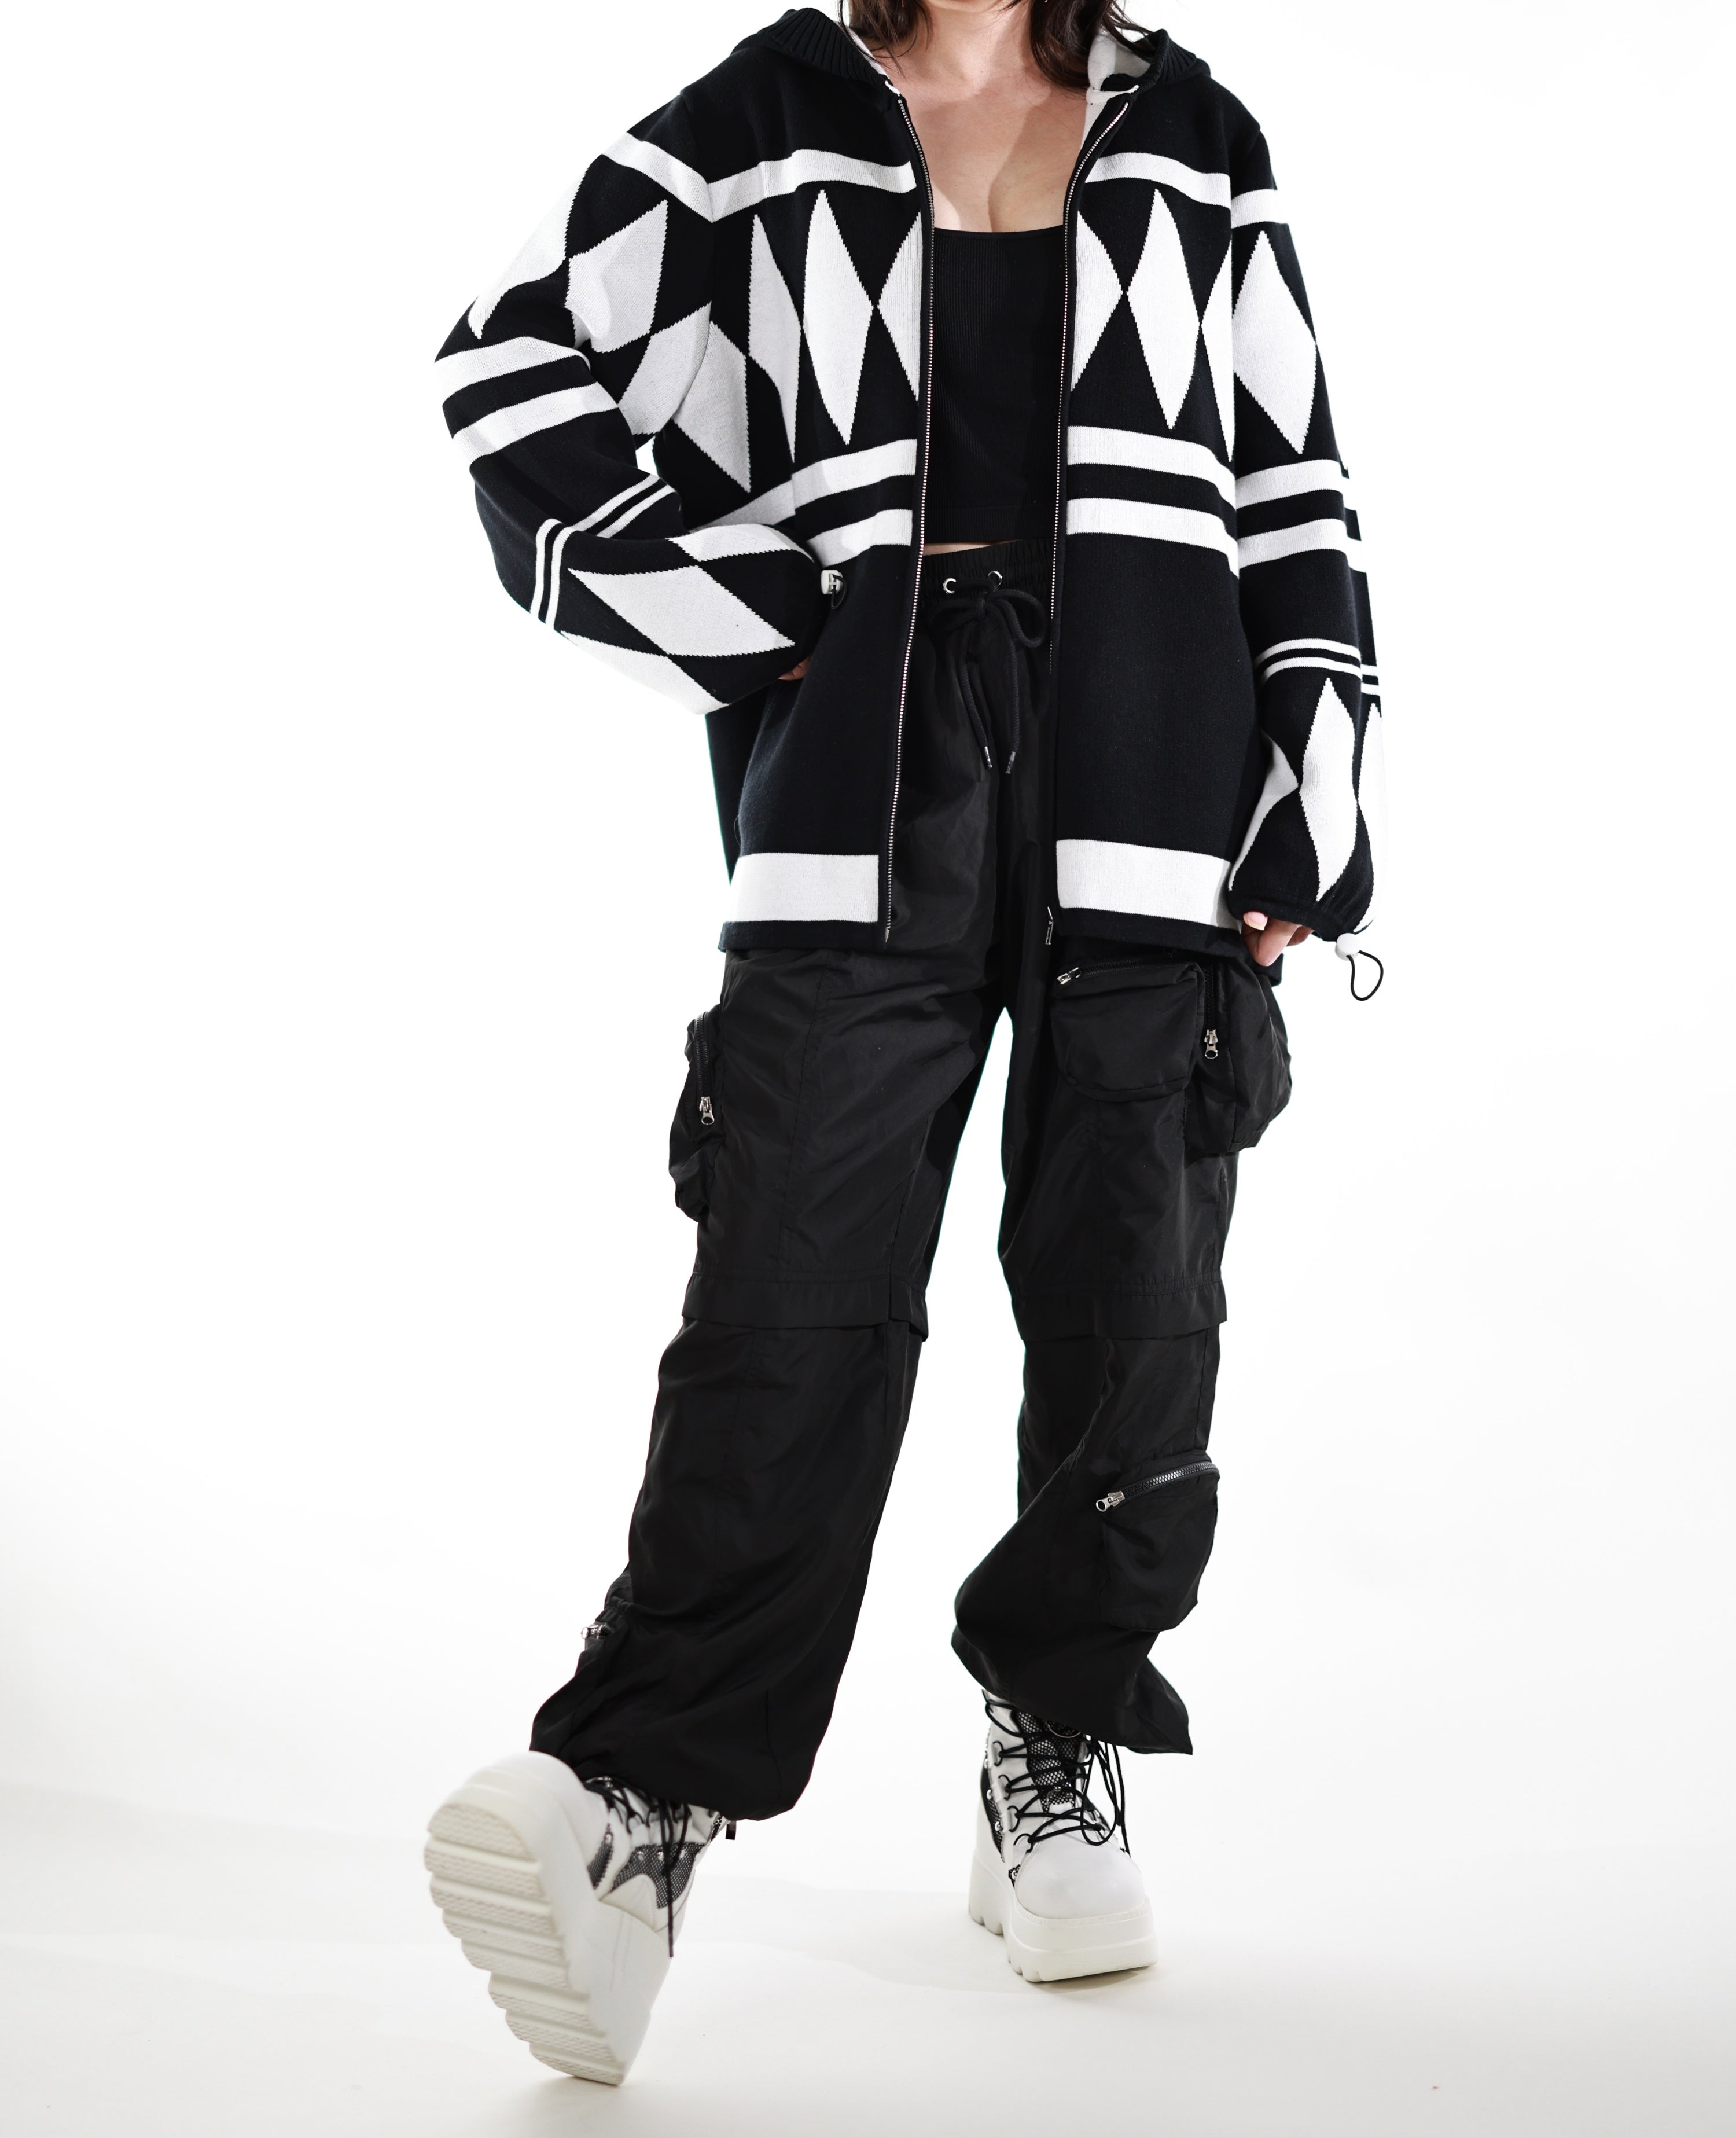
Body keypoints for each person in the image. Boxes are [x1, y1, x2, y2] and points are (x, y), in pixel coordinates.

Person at [424, 0, 1381, 2086]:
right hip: (866, 774)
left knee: (1135, 1285)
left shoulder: (1197, 129)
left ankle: (1057, 1729)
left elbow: (1289, 475)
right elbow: (509, 369)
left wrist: (1314, 781)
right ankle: (635, 1809)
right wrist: (763, 613)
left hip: (1150, 761)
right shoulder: (761, 115)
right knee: (792, 1276)